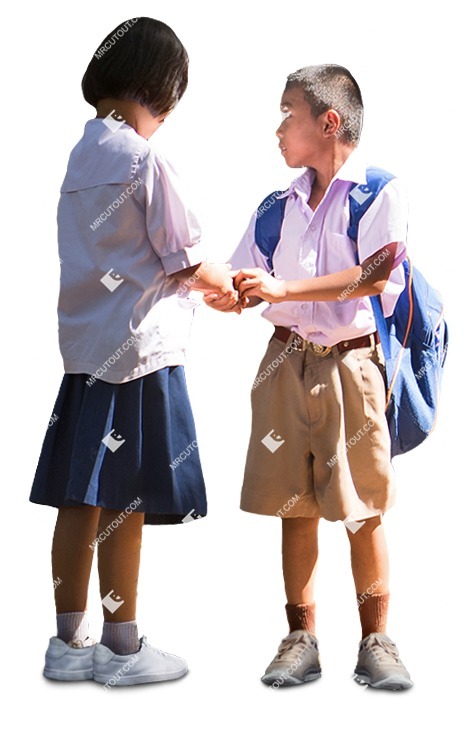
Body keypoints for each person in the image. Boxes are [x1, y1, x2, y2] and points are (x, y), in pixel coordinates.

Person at [30, 17, 240, 687]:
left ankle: (68, 643)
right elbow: (186, 255)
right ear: (162, 89)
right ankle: (122, 649)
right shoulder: (144, 160)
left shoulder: (80, 156)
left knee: (78, 497)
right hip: (140, 355)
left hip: (86, 356)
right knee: (127, 502)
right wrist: (232, 287)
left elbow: (128, 254)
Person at [206, 64, 413, 690]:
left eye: (287, 114)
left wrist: (285, 287)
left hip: (352, 363)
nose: (278, 129)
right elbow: (247, 277)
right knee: (292, 505)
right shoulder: (278, 205)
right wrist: (221, 290)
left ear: (328, 122)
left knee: (362, 507)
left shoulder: (377, 191)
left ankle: (376, 641)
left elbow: (376, 275)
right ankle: (302, 637)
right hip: (284, 359)